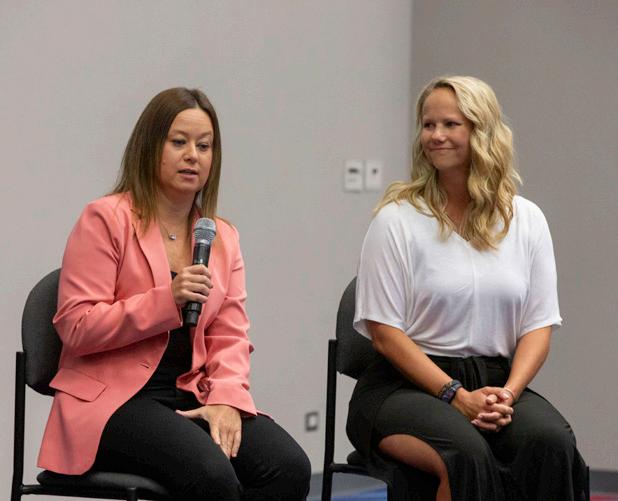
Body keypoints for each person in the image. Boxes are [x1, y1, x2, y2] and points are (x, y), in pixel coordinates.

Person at [38, 87, 311, 500]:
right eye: (179, 142)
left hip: (191, 394)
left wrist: (226, 399)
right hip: (114, 402)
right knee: (210, 475)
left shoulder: (222, 237)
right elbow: (77, 327)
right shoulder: (105, 219)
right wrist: (167, 300)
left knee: (287, 468)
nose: (192, 156)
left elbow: (230, 336)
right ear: (150, 147)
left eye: (204, 146)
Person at [346, 76, 587, 500]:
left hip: (495, 383)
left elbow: (539, 325)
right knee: (466, 454)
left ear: (483, 132)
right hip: (403, 386)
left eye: (450, 124)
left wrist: (508, 394)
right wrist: (455, 395)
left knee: (551, 443)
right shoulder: (396, 220)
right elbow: (383, 334)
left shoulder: (527, 220)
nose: (435, 135)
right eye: (428, 125)